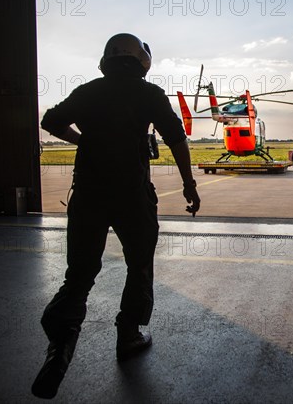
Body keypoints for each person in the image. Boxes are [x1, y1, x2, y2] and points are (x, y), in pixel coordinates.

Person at [32, 33, 200, 399]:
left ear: (107, 60)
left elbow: (51, 121)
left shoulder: (90, 91)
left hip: (89, 196)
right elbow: (176, 139)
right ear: (141, 61)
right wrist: (189, 185)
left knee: (79, 275)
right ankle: (129, 336)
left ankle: (59, 349)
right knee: (138, 266)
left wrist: (82, 141)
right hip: (132, 198)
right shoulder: (150, 94)